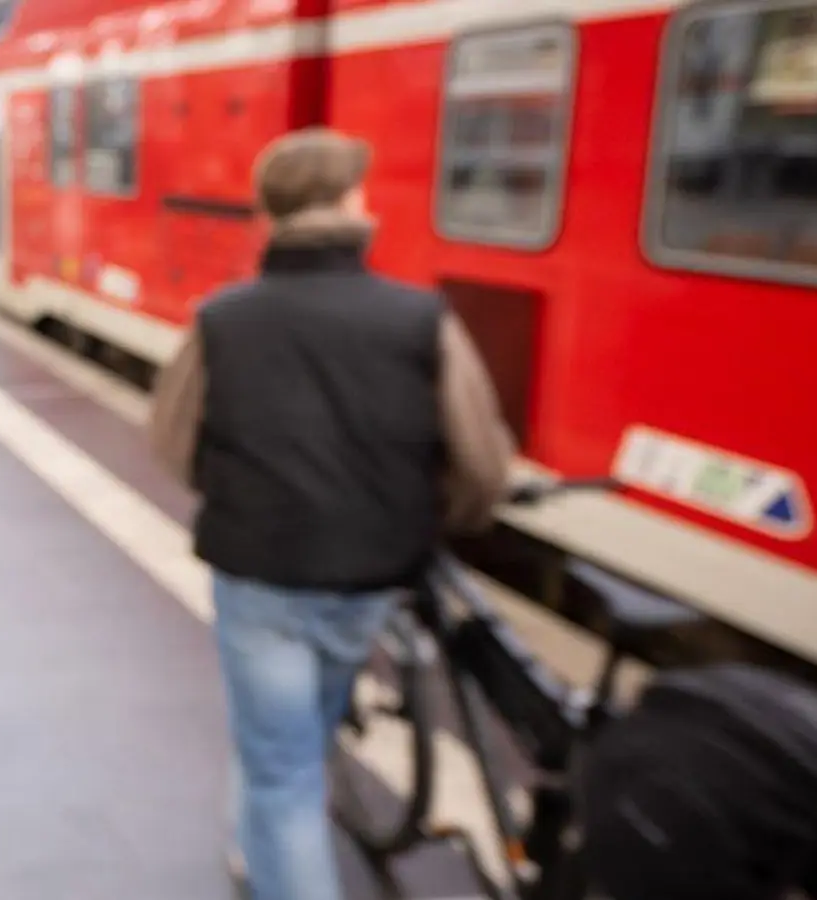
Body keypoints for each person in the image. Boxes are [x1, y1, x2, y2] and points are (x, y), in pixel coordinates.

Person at [148, 128, 515, 900]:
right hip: (372, 576)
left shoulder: (223, 320)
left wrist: (235, 487)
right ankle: (259, 846)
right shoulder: (421, 319)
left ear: (270, 216)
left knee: (281, 764)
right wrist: (438, 516)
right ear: (354, 205)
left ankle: (265, 851)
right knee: (296, 737)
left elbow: (172, 443)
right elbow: (483, 462)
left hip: (260, 577)